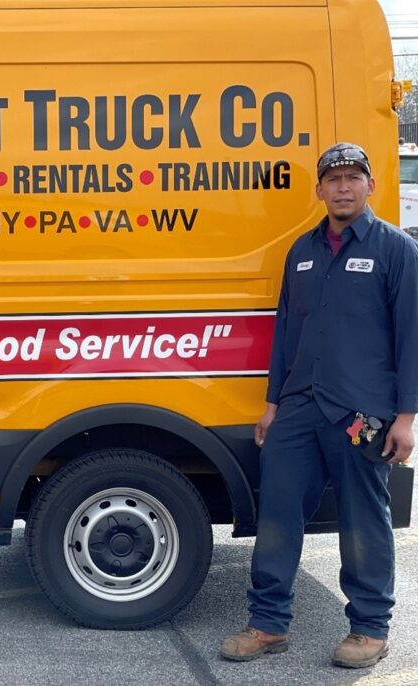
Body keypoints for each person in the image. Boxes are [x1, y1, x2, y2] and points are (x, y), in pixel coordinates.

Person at [219, 142, 418, 669]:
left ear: (370, 185)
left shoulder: (396, 250)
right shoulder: (302, 251)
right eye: (334, 179)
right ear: (321, 190)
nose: (344, 187)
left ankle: (370, 629)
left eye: (353, 177)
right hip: (299, 408)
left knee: (362, 521)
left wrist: (406, 417)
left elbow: (411, 336)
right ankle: (267, 624)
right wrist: (272, 403)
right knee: (279, 515)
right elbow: (286, 331)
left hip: (362, 413)